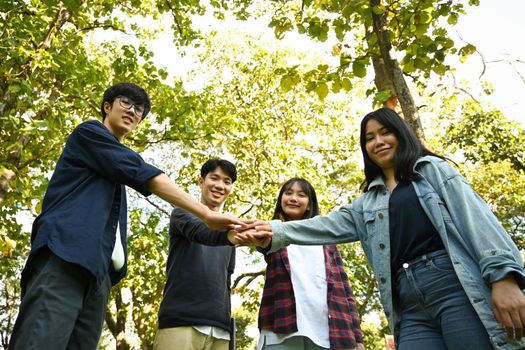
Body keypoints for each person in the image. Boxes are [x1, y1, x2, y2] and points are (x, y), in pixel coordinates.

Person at [240, 108, 525, 350]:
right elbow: (324, 225)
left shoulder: (431, 171)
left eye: (385, 132)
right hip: (408, 303)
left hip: (453, 287)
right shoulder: (367, 202)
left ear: (401, 133)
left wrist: (503, 277)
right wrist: (272, 230)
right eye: (369, 138)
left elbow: (476, 219)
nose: (378, 142)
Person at [9, 83, 244, 350]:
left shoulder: (113, 175)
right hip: (66, 258)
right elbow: (138, 170)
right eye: (126, 103)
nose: (133, 111)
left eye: (140, 109)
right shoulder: (89, 134)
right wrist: (205, 213)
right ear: (107, 106)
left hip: (99, 277)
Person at [257, 178, 365, 350]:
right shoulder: (271, 232)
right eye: (288, 193)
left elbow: (345, 289)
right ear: (281, 200)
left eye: (301, 195)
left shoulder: (327, 241)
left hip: (329, 332)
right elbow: (262, 244)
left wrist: (357, 337)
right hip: (282, 331)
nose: (293, 198)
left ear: (309, 204)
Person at [154, 158, 240, 350]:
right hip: (181, 322)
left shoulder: (230, 231)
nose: (220, 186)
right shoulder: (181, 213)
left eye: (227, 182)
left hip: (220, 329)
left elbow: (227, 279)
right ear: (201, 182)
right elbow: (202, 232)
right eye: (214, 178)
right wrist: (233, 234)